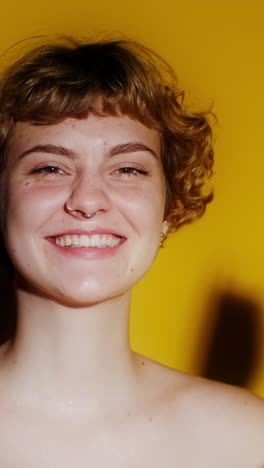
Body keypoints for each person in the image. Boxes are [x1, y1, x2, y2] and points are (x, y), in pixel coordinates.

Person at [0, 36, 263, 467]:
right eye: (49, 167)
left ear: (166, 209)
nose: (87, 200)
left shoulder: (249, 441)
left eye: (127, 169)